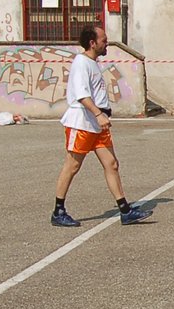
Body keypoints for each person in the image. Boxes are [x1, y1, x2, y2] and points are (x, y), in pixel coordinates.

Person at [51, 25, 148, 227]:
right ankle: (58, 211)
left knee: (111, 164)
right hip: (83, 122)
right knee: (73, 165)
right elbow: (81, 94)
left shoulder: (93, 63)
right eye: (103, 40)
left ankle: (125, 210)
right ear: (92, 43)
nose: (106, 44)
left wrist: (101, 115)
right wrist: (97, 114)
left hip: (97, 124)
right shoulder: (81, 63)